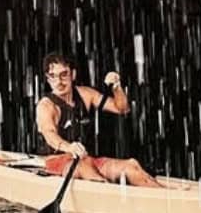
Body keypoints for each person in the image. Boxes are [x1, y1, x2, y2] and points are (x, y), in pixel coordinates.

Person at [36, 52, 162, 186]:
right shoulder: (46, 106)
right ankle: (108, 194)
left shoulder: (86, 94)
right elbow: (50, 135)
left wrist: (116, 87)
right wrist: (69, 147)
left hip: (87, 159)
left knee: (131, 166)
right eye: (53, 76)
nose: (59, 82)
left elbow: (122, 109)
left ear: (73, 74)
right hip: (58, 163)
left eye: (63, 74)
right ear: (48, 79)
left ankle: (165, 197)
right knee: (84, 167)